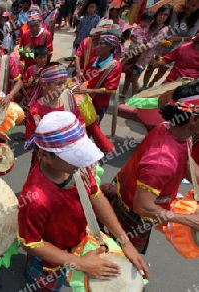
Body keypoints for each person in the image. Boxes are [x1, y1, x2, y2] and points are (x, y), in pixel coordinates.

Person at [18, 111, 149, 291]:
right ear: (46, 156)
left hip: (80, 241)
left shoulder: (78, 168)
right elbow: (31, 244)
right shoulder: (35, 199)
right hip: (52, 257)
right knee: (44, 285)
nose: (81, 161)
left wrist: (125, 242)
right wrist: (79, 263)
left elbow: (95, 195)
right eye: (72, 156)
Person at [102, 81, 199, 254]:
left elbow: (187, 165)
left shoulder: (172, 129)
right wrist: (190, 220)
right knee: (122, 256)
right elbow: (143, 207)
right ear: (194, 119)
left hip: (130, 192)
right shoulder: (162, 161)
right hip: (135, 212)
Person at [72, 34, 122, 123]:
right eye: (98, 44)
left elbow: (108, 89)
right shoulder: (93, 59)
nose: (97, 47)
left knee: (92, 125)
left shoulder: (115, 66)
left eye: (101, 44)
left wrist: (86, 91)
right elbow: (85, 77)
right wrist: (78, 82)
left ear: (110, 47)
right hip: (84, 99)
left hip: (99, 104)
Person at [139, 4, 174, 90]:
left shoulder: (164, 29)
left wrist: (138, 49)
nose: (162, 17)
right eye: (161, 14)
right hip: (139, 50)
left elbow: (152, 43)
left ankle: (143, 88)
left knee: (136, 75)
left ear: (168, 17)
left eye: (165, 15)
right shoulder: (150, 23)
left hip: (146, 55)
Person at [120, 12, 154, 98]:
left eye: (148, 22)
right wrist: (136, 42)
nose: (146, 23)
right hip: (135, 47)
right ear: (141, 20)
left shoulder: (149, 29)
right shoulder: (137, 28)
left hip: (141, 51)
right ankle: (123, 93)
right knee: (128, 76)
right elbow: (131, 37)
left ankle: (133, 98)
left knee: (134, 79)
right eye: (145, 21)